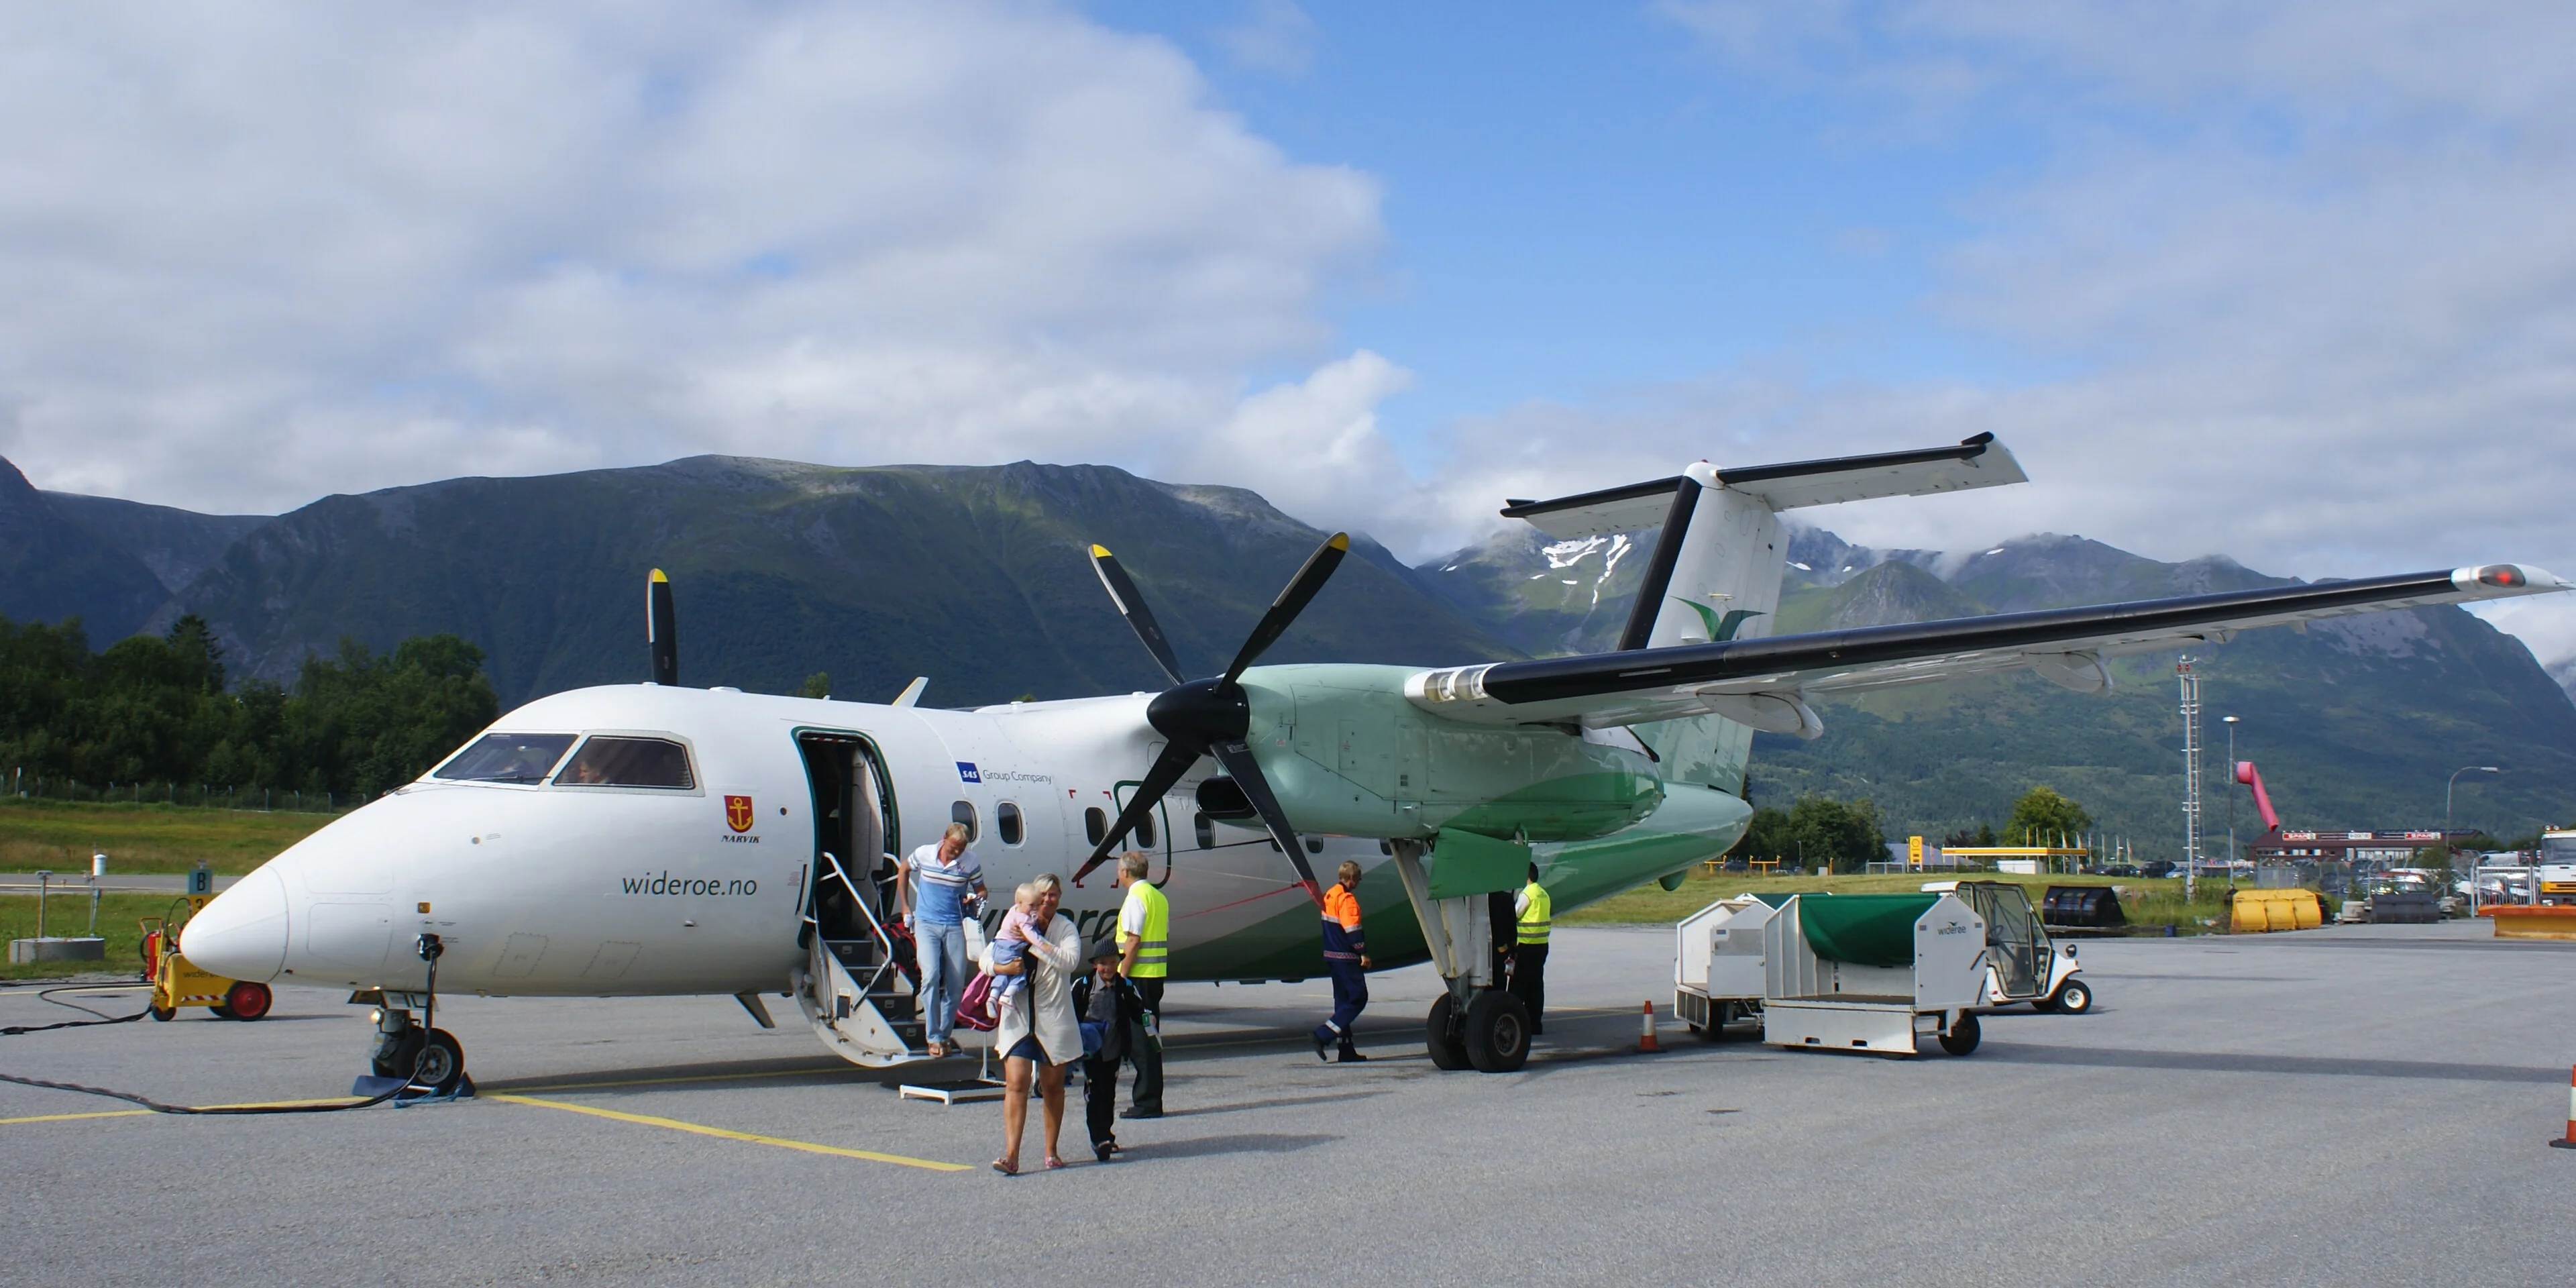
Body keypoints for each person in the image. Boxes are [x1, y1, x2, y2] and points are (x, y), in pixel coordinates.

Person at [989, 872, 1081, 1175]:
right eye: (1043, 895)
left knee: (1053, 1086)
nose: (1047, 900)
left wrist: (1037, 946)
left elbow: (1070, 961)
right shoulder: (1016, 920)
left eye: (1054, 894)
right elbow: (986, 959)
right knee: (1016, 1083)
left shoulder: (1065, 928)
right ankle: (1011, 1155)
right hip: (1018, 1016)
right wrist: (1003, 966)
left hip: (1052, 1017)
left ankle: (1051, 1151)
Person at [897, 822, 986, 1058]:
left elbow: (982, 890)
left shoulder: (970, 862)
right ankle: (933, 1035)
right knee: (931, 976)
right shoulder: (925, 853)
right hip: (926, 924)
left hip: (955, 925)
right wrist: (905, 906)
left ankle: (945, 1034)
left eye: (961, 849)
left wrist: (974, 901)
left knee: (956, 983)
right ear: (944, 839)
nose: (956, 853)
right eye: (953, 847)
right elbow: (903, 869)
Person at [1112, 851, 1167, 1118]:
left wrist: (1122, 973)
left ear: (1125, 872)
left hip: (1138, 977)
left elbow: (1133, 940)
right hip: (1154, 975)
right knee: (1151, 1037)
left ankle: (1146, 1101)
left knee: (1141, 1041)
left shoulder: (1136, 898)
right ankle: (1152, 1099)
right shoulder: (1158, 897)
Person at [1071, 938, 1136, 1161]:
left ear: (1118, 963)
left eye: (1111, 962)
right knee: (1096, 1093)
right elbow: (1071, 1013)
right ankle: (1098, 1139)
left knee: (1109, 1094)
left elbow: (1138, 1009)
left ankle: (1107, 1134)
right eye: (1102, 963)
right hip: (1091, 1051)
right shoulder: (1083, 985)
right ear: (1095, 965)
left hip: (1113, 1049)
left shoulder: (1125, 987)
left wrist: (1149, 1018)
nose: (1107, 968)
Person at [1312, 859, 1371, 1063]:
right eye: (1358, 878)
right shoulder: (1347, 899)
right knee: (1358, 997)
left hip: (1331, 955)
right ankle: (1323, 1034)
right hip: (1346, 957)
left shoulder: (1330, 895)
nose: (1359, 882)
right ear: (1352, 878)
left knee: (1343, 1002)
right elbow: (1352, 929)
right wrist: (1363, 952)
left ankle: (1346, 1049)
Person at [1511, 860, 1552, 1036]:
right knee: (1536, 985)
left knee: (1518, 986)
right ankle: (1535, 1023)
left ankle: (1514, 1018)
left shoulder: (1527, 894)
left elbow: (1515, 914)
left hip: (1527, 946)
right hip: (1542, 946)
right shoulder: (1543, 894)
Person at [985, 883, 1040, 1007]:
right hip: (1011, 950)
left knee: (1003, 975)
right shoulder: (1024, 919)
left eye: (1038, 904)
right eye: (1032, 905)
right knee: (1019, 973)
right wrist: (1045, 946)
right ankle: (1007, 995)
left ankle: (993, 996)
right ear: (1020, 903)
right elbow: (1032, 936)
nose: (1035, 909)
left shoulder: (1013, 912)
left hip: (999, 948)